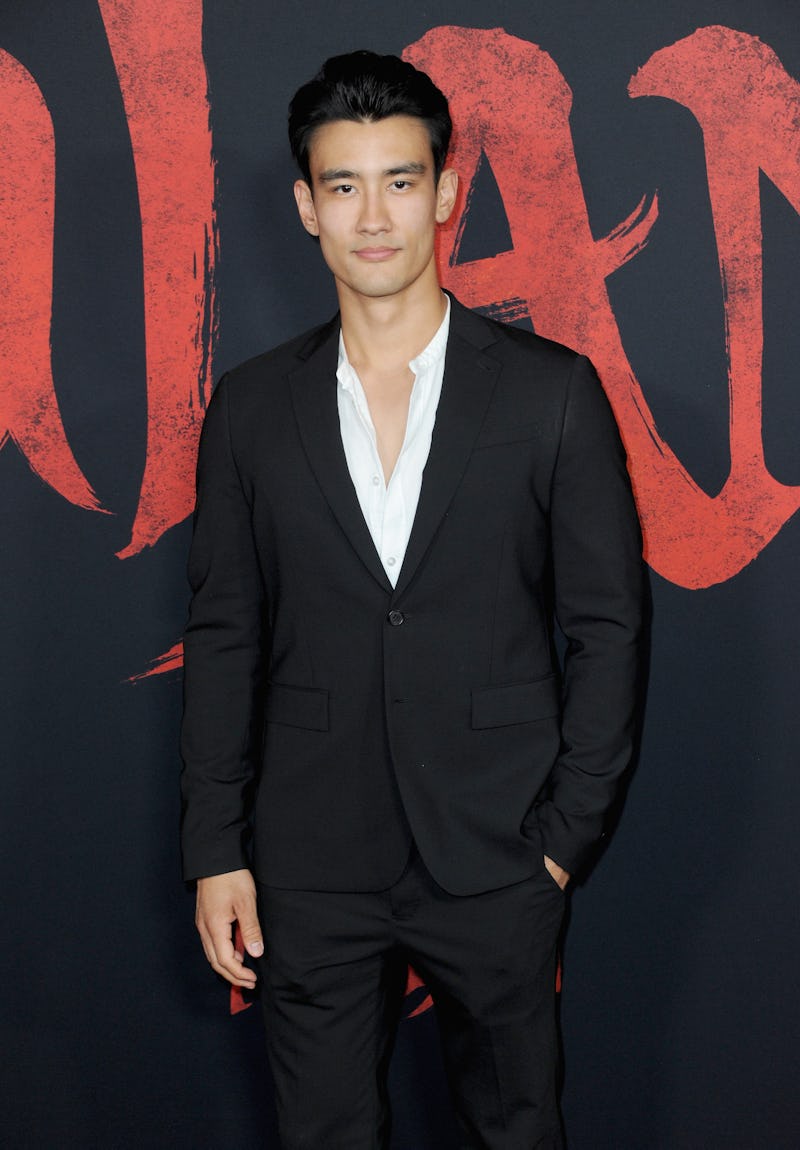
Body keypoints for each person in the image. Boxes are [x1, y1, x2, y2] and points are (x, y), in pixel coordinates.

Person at [181, 49, 644, 1150]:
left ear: (443, 192)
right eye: (343, 186)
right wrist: (214, 847)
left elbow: (608, 628)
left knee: (512, 1132)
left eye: (399, 180)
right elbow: (225, 633)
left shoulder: (549, 395)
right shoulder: (249, 410)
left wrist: (559, 840)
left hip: (497, 848)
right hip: (309, 857)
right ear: (305, 207)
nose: (372, 215)